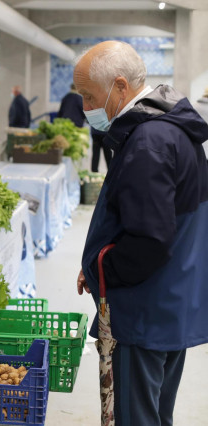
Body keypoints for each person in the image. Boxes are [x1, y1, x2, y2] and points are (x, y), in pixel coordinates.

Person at [74, 41, 208, 425]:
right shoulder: (170, 131)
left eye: (88, 96)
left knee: (134, 417)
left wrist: (104, 268)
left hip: (142, 312)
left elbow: (149, 240)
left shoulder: (149, 143)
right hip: (169, 302)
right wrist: (98, 261)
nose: (85, 108)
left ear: (120, 87)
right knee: (154, 413)